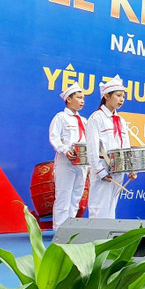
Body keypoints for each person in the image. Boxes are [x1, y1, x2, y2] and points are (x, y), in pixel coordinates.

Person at [86, 75, 135, 219]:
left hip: (118, 169)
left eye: (123, 96)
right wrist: (100, 171)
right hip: (103, 168)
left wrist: (130, 169)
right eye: (118, 95)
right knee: (99, 207)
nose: (121, 99)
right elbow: (92, 148)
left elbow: (126, 145)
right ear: (107, 96)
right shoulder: (96, 118)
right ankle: (97, 240)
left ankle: (107, 239)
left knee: (111, 206)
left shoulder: (121, 120)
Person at [48, 82, 89, 231]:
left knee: (76, 196)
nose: (82, 101)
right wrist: (65, 150)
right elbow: (54, 137)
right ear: (69, 99)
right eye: (78, 98)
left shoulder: (84, 121)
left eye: (83, 98)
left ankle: (70, 228)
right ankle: (59, 230)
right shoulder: (61, 117)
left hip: (82, 163)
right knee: (64, 195)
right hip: (66, 161)